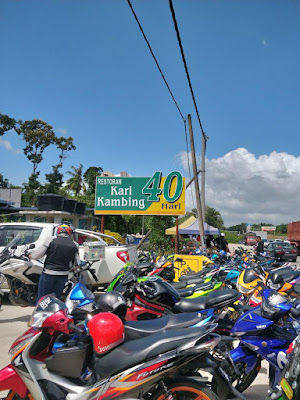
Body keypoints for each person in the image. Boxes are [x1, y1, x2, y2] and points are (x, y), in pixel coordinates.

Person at [29, 223, 80, 302]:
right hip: (63, 275)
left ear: (58, 231)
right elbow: (76, 263)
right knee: (56, 299)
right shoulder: (74, 244)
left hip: (48, 274)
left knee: (42, 298)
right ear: (69, 232)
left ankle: (40, 313)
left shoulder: (51, 239)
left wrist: (30, 255)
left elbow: (37, 255)